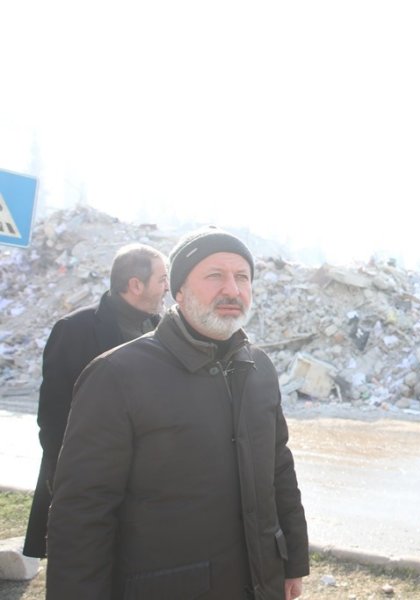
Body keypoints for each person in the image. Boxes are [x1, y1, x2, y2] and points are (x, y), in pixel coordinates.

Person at [46, 227, 309, 600]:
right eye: (214, 276)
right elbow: (82, 511)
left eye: (242, 277)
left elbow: (279, 468)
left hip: (260, 582)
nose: (232, 290)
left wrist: (293, 560)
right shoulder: (118, 375)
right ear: (179, 290)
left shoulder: (259, 367)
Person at [23, 243, 169, 559]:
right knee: (82, 566)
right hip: (87, 477)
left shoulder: (162, 331)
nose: (167, 288)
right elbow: (53, 415)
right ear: (135, 284)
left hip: (144, 481)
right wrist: (64, 481)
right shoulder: (75, 329)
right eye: (161, 279)